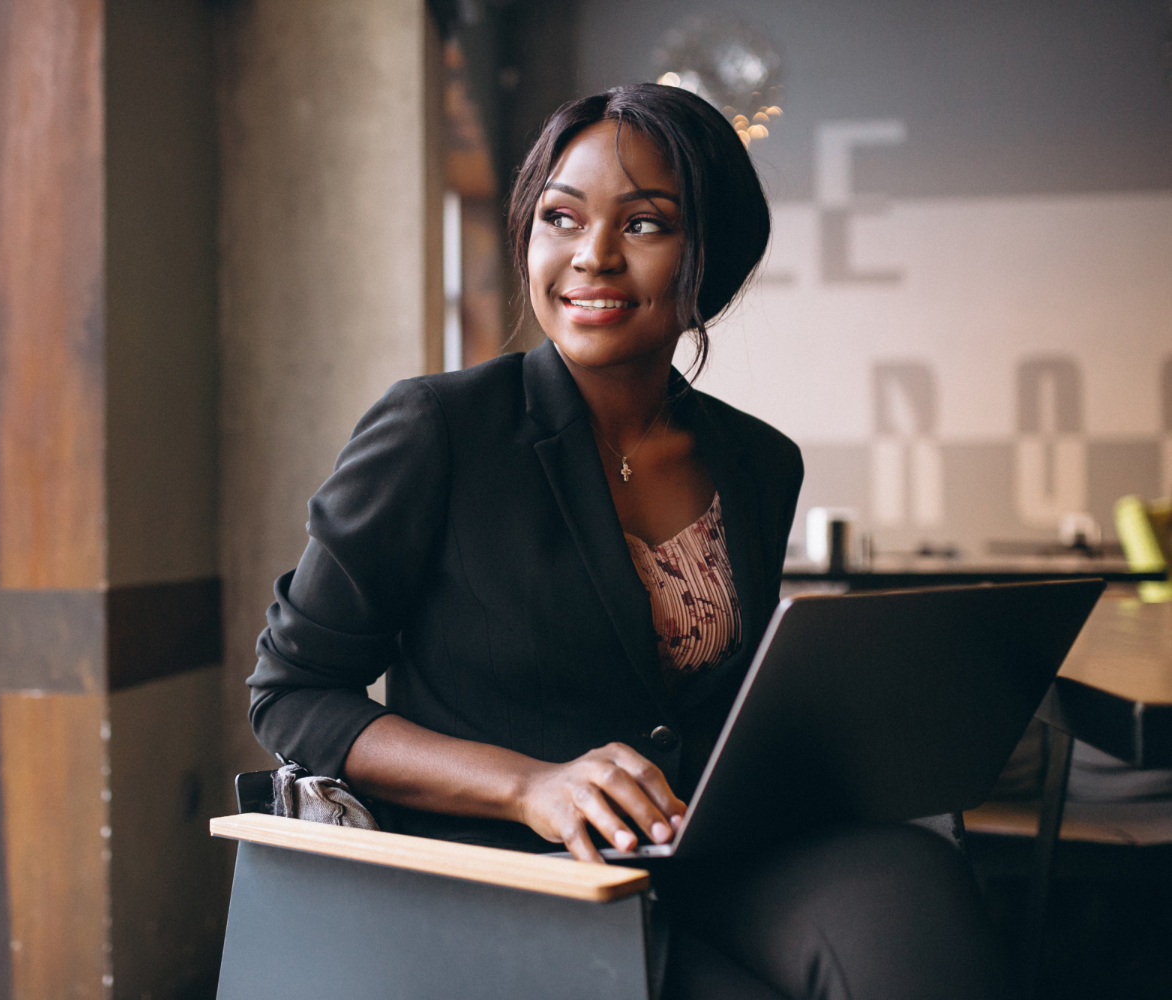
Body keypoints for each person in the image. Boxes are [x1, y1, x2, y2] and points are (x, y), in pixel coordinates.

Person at [248, 84, 1015, 999]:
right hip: (512, 864)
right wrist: (528, 784)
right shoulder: (436, 431)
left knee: (913, 897)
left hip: (702, 842)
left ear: (708, 257)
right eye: (560, 218)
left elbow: (718, 708)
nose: (592, 257)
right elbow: (292, 693)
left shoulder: (759, 462)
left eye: (645, 225)